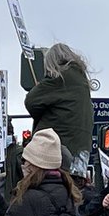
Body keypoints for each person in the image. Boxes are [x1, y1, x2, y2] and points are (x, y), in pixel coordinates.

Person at [24, 43, 95, 177]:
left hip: (58, 147)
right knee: (73, 191)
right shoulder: (81, 79)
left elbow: (31, 101)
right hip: (81, 149)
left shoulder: (59, 77)